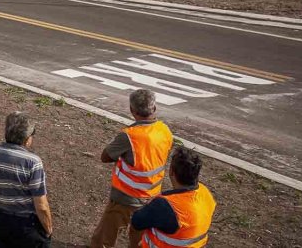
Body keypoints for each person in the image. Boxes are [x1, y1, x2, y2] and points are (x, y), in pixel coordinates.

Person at [90, 89, 174, 248]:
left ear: (132, 110)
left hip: (126, 196)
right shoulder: (165, 131)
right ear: (154, 108)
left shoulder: (129, 136)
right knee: (140, 239)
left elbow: (105, 156)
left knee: (105, 236)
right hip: (152, 195)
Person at [0, 112, 53, 248]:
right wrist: (48, 228)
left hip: (0, 219)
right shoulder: (33, 162)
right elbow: (41, 205)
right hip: (26, 226)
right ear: (27, 139)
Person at [131, 146, 217, 247]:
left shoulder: (165, 206)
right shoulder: (205, 193)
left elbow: (137, 222)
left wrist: (149, 205)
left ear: (171, 171)